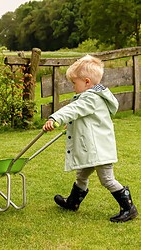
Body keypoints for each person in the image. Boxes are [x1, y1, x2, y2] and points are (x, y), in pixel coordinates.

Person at [43, 55, 138, 222]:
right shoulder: (94, 97)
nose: (73, 86)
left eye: (74, 83)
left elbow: (74, 109)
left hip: (99, 149)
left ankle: (128, 208)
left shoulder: (91, 98)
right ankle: (72, 203)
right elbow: (85, 117)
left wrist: (55, 118)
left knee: (107, 179)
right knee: (82, 175)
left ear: (87, 82)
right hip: (93, 149)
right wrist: (71, 125)